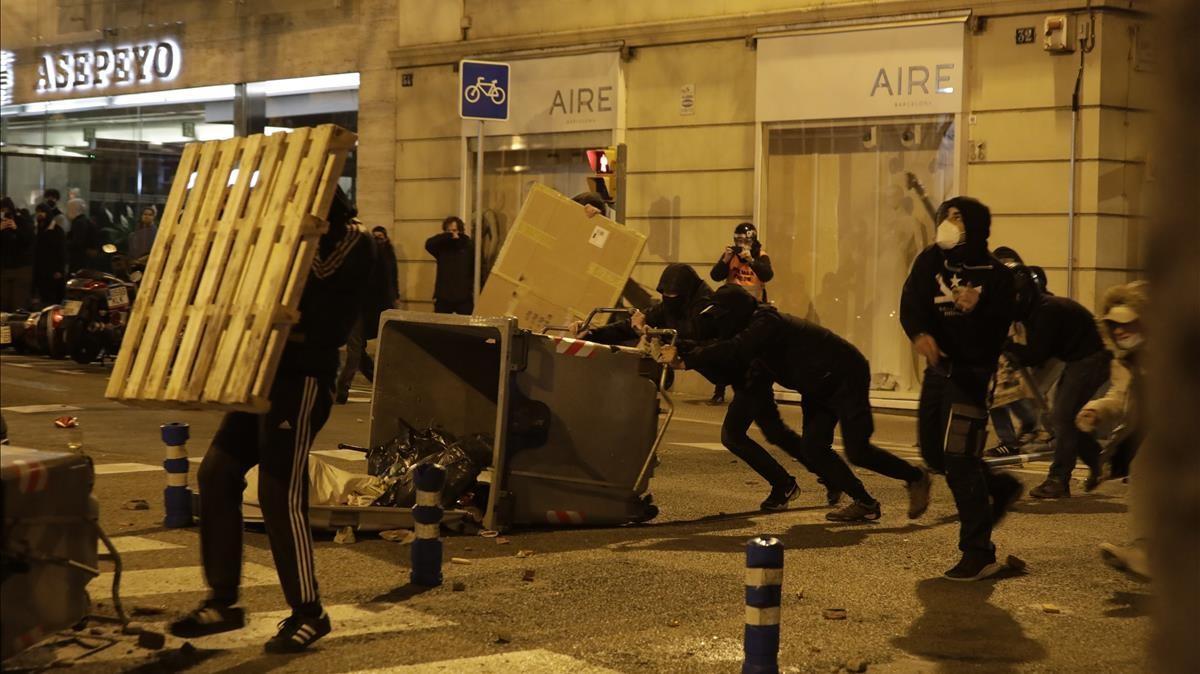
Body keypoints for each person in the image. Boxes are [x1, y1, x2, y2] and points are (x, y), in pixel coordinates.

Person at [169, 188, 372, 653]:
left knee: (279, 490)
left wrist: (290, 238)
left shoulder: (354, 241)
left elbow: (321, 281)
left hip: (302, 378)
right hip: (261, 373)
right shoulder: (277, 245)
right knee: (217, 472)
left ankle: (309, 612)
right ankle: (223, 600)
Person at [669, 285, 933, 521]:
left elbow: (735, 348)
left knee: (858, 450)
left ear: (735, 312)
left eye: (721, 316)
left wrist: (688, 360)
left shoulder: (766, 321)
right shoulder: (751, 327)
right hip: (816, 385)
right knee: (813, 448)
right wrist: (679, 346)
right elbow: (724, 347)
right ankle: (865, 503)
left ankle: (915, 477)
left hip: (845, 375)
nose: (719, 323)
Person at [900, 196, 1023, 581]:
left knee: (960, 459)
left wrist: (979, 305)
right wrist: (919, 333)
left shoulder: (996, 274)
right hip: (939, 371)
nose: (949, 223)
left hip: (972, 374)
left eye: (958, 217)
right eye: (946, 216)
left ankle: (978, 551)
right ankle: (998, 487)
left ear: (975, 225)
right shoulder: (930, 261)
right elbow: (912, 303)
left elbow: (1006, 319)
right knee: (935, 454)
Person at [1005, 265, 1112, 498]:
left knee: (1063, 417)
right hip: (1081, 358)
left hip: (1091, 359)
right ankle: (1100, 462)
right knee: (1064, 418)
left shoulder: (1046, 311)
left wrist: (1009, 348)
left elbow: (1037, 353)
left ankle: (1058, 479)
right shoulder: (1039, 309)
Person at [1076, 282, 1149, 579]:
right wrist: (1097, 409)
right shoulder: (1126, 361)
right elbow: (1121, 398)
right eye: (1113, 325)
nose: (1119, 331)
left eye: (1126, 323)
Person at [707, 223, 774, 404]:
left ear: (752, 240)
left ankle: (752, 390)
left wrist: (751, 260)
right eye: (738, 240)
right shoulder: (731, 255)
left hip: (752, 309)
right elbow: (715, 275)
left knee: (752, 351)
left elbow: (767, 275)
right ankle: (719, 390)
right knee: (725, 347)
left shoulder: (760, 256)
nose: (741, 244)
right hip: (731, 309)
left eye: (744, 241)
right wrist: (725, 259)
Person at [335, 222, 395, 404]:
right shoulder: (370, 258)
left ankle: (342, 389)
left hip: (359, 310)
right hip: (356, 309)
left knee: (356, 351)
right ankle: (380, 387)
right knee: (358, 351)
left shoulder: (376, 259)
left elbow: (384, 286)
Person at [425, 215, 474, 315]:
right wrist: (447, 236)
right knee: (440, 325)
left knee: (466, 326)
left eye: (454, 230)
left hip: (463, 295)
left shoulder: (467, 246)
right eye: (449, 231)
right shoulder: (442, 247)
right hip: (444, 295)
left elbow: (475, 267)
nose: (452, 233)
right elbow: (429, 244)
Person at [0, 197, 35, 311]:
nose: (4, 213)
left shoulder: (22, 220)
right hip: (4, 267)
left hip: (21, 267)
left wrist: (16, 228)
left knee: (18, 303)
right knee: (4, 303)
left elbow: (28, 240)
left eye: (7, 210)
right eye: (2, 210)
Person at [32, 203, 67, 306]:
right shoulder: (37, 229)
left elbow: (62, 251)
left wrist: (59, 270)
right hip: (40, 270)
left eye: (42, 212)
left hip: (53, 271)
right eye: (37, 212)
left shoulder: (57, 230)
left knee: (54, 300)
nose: (39, 215)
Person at [65, 196, 103, 273]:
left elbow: (77, 242)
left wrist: (64, 243)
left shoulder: (79, 223)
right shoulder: (84, 221)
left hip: (80, 260)